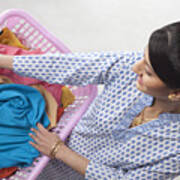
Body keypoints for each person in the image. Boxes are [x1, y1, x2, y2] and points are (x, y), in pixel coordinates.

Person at [0, 22, 179, 180]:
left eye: (148, 72)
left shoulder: (175, 147)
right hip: (57, 136)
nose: (135, 67)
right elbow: (69, 66)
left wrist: (60, 151)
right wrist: (3, 60)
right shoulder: (129, 66)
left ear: (176, 93)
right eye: (142, 57)